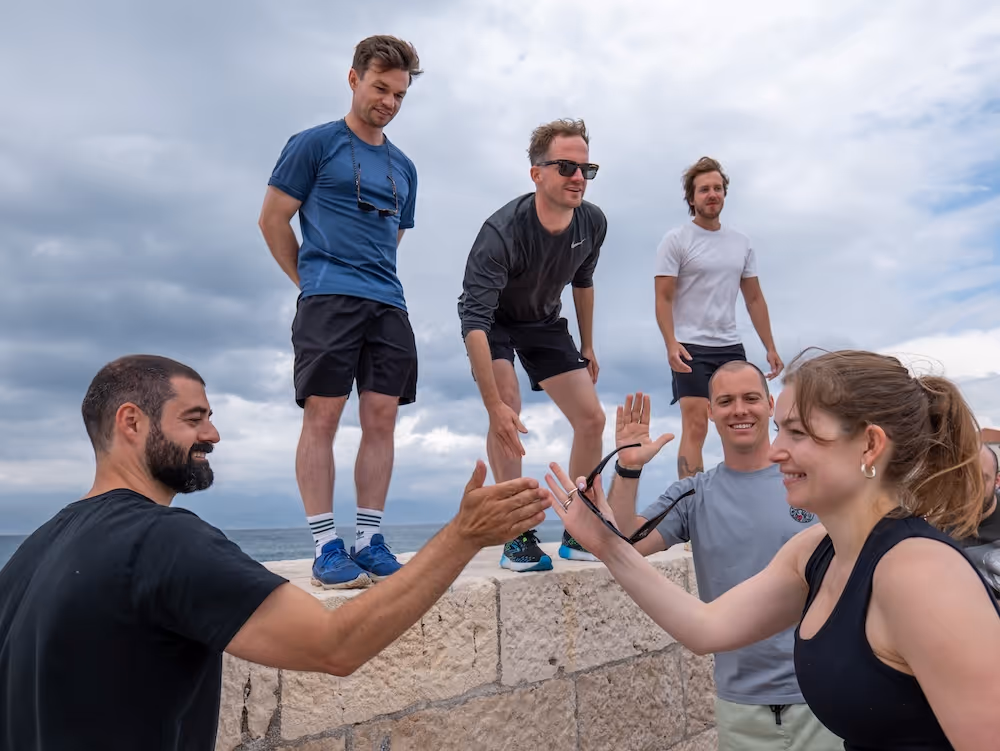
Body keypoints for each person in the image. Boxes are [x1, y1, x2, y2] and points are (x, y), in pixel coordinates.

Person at [0, 355, 550, 751]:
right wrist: (463, 537)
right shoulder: (164, 540)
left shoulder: (31, 553)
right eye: (194, 418)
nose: (213, 433)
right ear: (131, 422)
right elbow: (336, 646)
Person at [546, 349, 1000, 750]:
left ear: (869, 444)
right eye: (781, 430)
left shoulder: (921, 574)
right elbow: (706, 628)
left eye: (797, 433)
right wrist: (606, 545)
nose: (777, 449)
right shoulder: (818, 550)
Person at [601, 362, 841, 750]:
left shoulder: (809, 481)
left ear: (770, 404)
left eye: (750, 398)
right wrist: (628, 467)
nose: (740, 410)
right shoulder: (693, 494)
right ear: (710, 412)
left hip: (825, 697)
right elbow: (623, 543)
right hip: (740, 705)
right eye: (726, 401)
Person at [258, 36, 422, 588]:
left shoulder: (405, 168)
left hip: (389, 303)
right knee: (322, 418)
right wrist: (310, 282)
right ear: (353, 79)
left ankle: (369, 539)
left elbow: (392, 236)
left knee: (382, 420)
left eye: (399, 94)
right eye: (380, 88)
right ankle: (327, 545)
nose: (389, 102)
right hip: (328, 301)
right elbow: (272, 220)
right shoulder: (313, 144)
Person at [458, 118, 608, 571]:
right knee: (507, 404)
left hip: (543, 322)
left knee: (592, 418)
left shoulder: (593, 222)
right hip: (495, 323)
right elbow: (475, 323)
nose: (578, 177)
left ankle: (577, 524)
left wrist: (588, 346)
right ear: (537, 174)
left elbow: (583, 282)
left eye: (586, 168)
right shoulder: (501, 233)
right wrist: (493, 406)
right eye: (565, 167)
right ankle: (514, 535)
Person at [654, 156, 783, 478]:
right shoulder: (676, 240)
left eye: (717, 188)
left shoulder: (741, 243)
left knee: (749, 423)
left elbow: (754, 298)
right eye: (704, 190)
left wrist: (770, 346)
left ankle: (755, 492)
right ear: (691, 198)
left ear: (724, 193)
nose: (712, 194)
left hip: (730, 346)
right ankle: (689, 504)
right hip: (690, 346)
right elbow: (663, 296)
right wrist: (670, 343)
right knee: (696, 425)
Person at [957, 444, 1000, 595]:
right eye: (962, 476)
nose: (969, 489)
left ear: (997, 481)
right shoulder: (937, 523)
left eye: (980, 479)